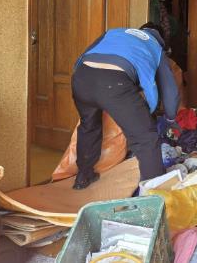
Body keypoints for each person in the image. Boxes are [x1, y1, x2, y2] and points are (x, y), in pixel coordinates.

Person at [71, 23, 180, 189]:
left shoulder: (114, 33)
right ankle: (155, 194)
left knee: (89, 126)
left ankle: (83, 176)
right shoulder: (155, 46)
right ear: (161, 40)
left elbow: (85, 55)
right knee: (146, 139)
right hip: (114, 83)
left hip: (82, 77)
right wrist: (170, 118)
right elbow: (170, 91)